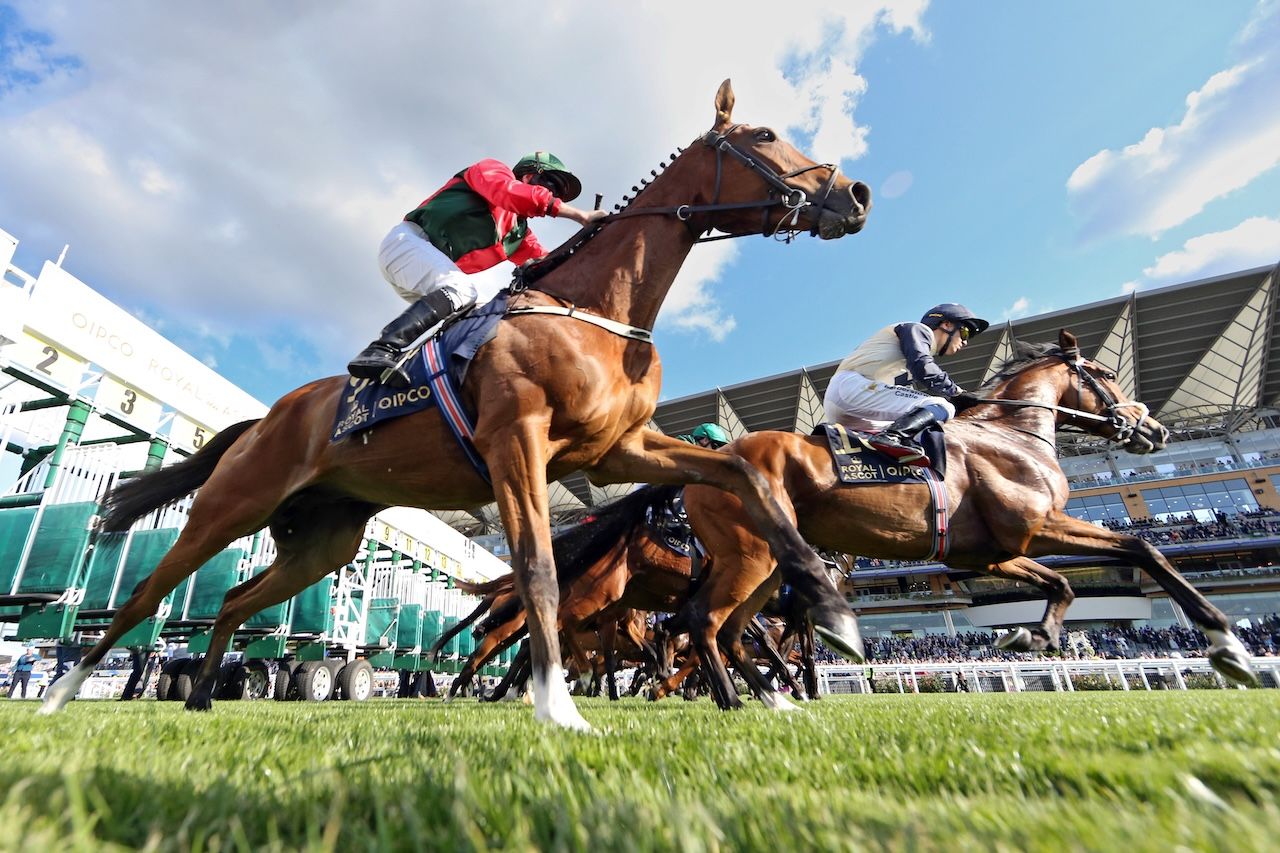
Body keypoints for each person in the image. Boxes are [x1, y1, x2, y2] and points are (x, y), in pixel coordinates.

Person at [348, 152, 609, 384]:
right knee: (463, 290)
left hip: (429, 272)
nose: (554, 196)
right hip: (409, 243)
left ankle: (432, 378)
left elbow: (546, 263)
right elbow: (510, 193)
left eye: (558, 195)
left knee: (484, 317)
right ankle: (380, 349)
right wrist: (580, 216)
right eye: (551, 185)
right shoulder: (492, 170)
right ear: (528, 176)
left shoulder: (518, 233)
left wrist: (591, 247)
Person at [822, 303, 989, 464]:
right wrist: (956, 392)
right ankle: (890, 437)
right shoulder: (919, 330)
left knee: (920, 429)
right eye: (966, 333)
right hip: (852, 388)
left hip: (848, 404)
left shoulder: (904, 358)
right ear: (946, 324)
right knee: (942, 406)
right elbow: (923, 366)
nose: (965, 342)